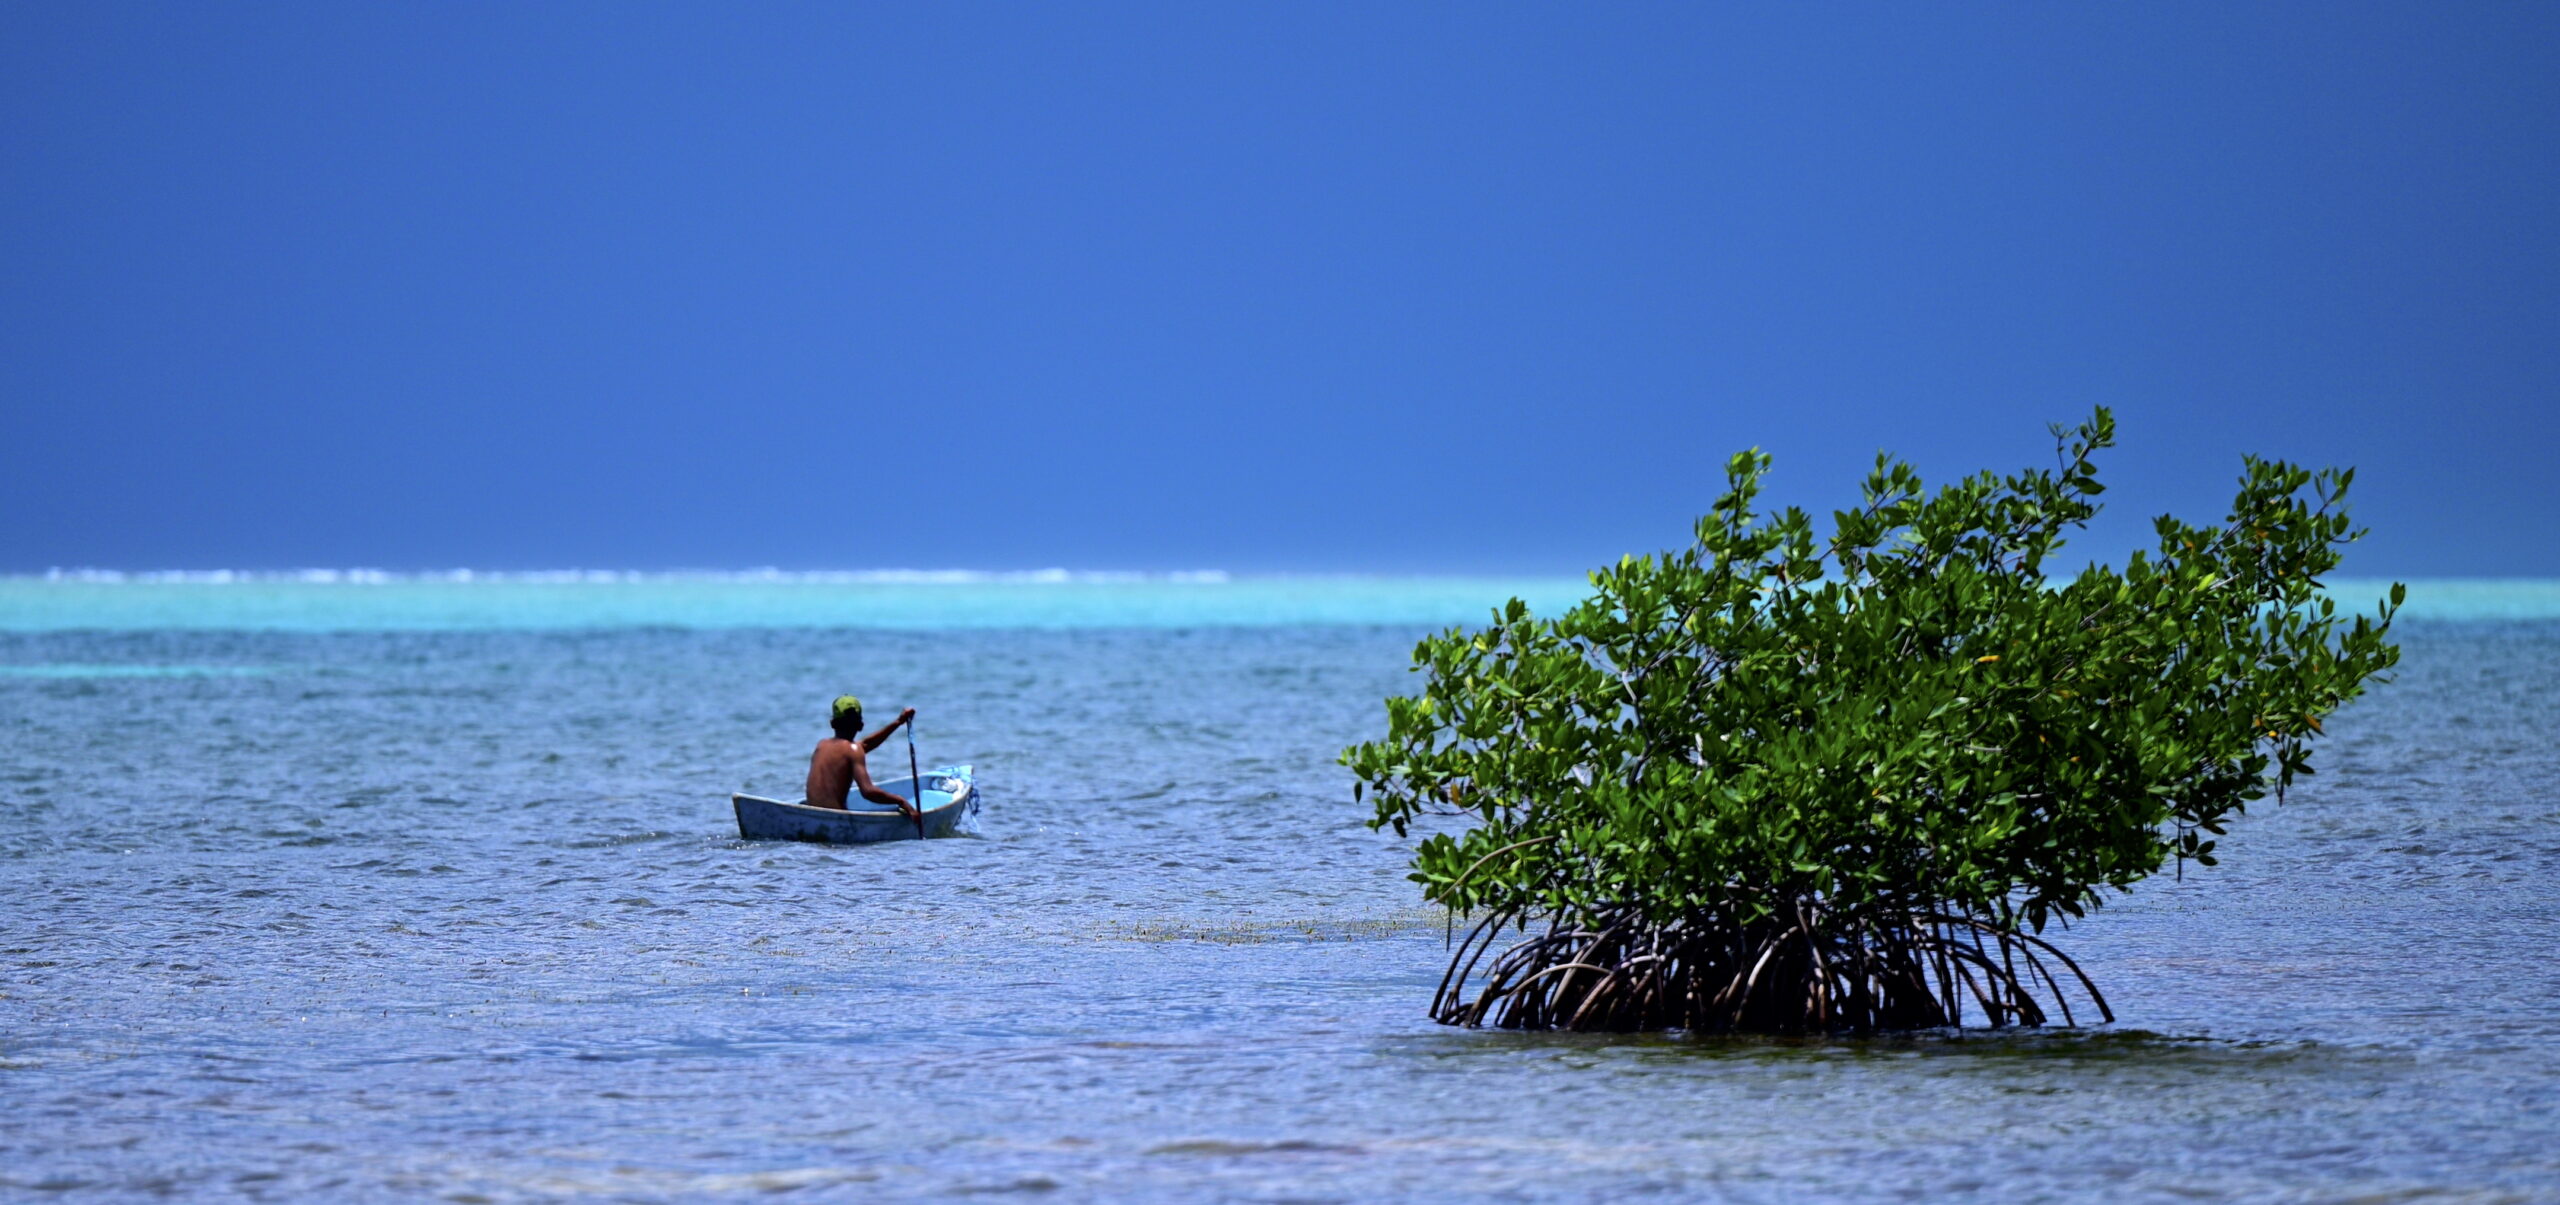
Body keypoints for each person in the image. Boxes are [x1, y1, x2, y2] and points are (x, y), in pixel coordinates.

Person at [805, 695, 919, 821]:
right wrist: (901, 800)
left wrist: (898, 722)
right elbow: (868, 792)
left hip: (810, 815)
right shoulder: (853, 750)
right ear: (861, 725)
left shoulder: (821, 745)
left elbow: (864, 745)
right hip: (836, 820)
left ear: (832, 724)